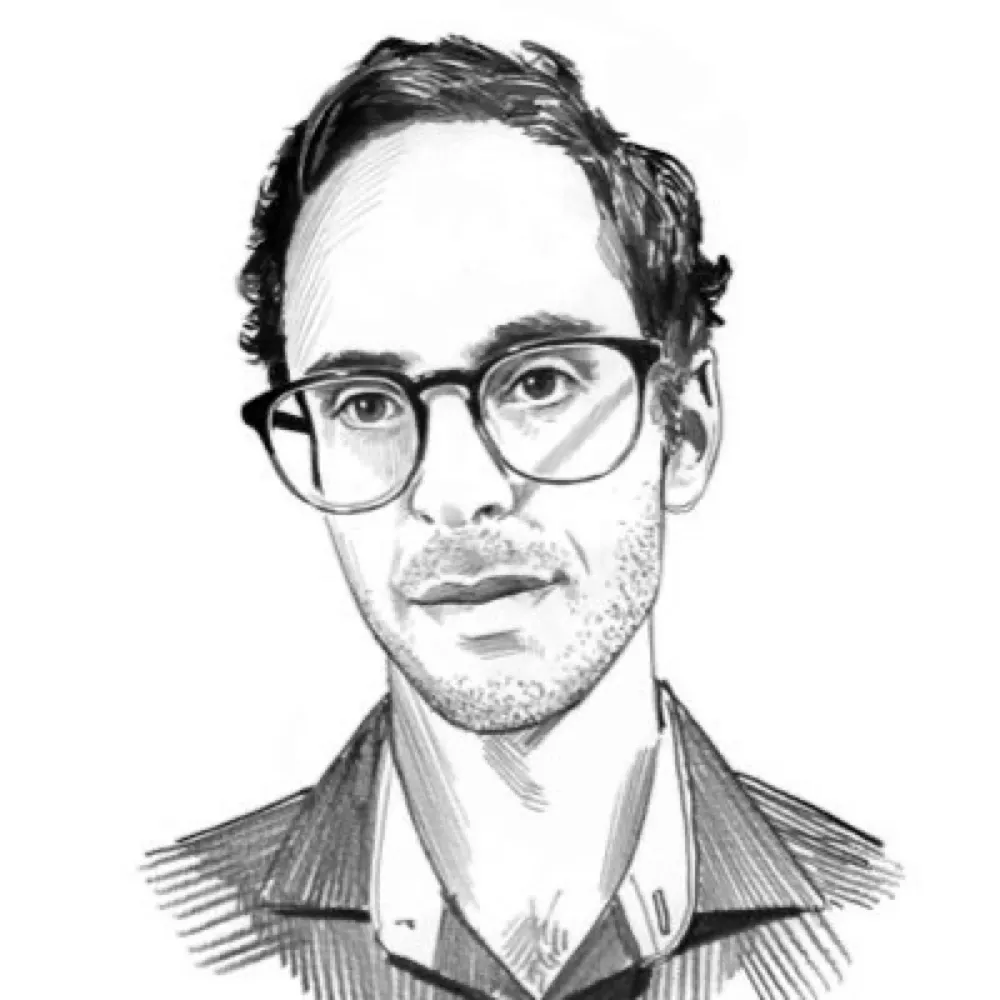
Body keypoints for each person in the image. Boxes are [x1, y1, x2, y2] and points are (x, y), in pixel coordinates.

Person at [145, 36, 900, 1000]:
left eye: (540, 381)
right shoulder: (160, 942)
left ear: (686, 428)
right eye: (365, 403)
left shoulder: (898, 932)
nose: (454, 489)